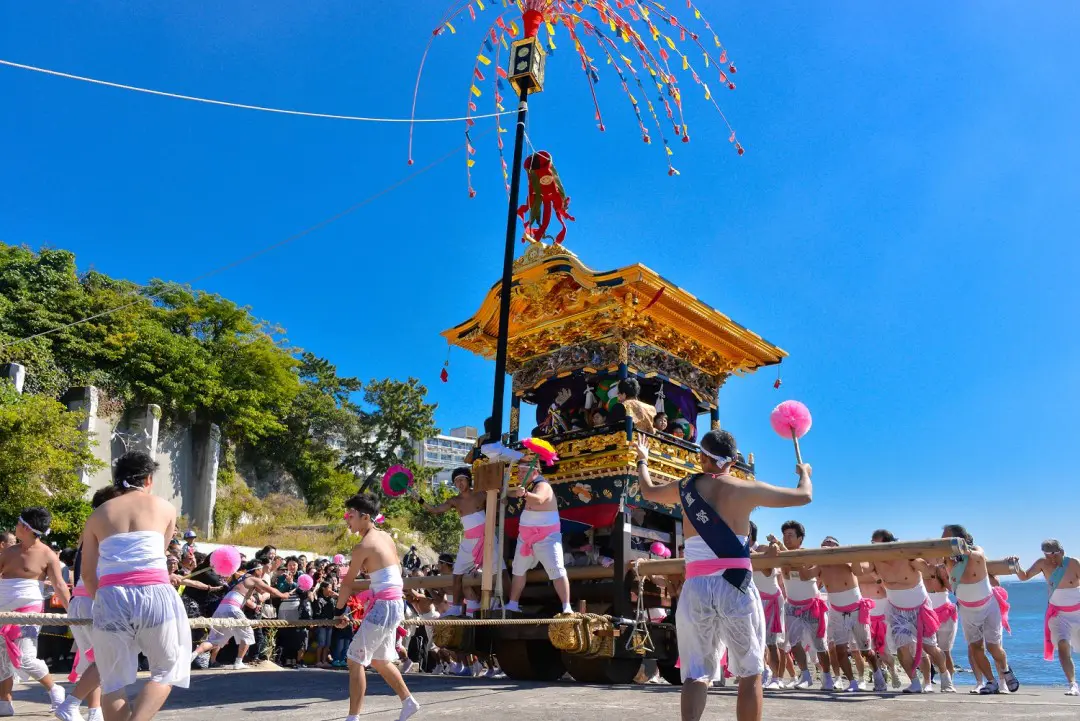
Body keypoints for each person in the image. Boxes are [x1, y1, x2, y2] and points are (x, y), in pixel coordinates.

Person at [636, 429, 812, 721]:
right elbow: (804, 495)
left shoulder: (684, 488)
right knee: (751, 671)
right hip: (736, 586)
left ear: (702, 457)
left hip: (696, 588)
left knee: (695, 674)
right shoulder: (745, 489)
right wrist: (804, 472)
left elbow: (648, 490)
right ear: (733, 460)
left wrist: (642, 460)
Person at [79, 451, 191, 721]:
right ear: (149, 479)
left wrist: (102, 601)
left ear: (115, 480)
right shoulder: (165, 508)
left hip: (110, 596)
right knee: (167, 670)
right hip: (154, 592)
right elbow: (159, 557)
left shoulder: (97, 515)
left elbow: (88, 574)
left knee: (112, 680)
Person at [336, 493, 419, 721]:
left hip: (385, 605)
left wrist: (339, 610)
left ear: (365, 517)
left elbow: (347, 582)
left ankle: (353, 718)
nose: (347, 520)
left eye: (350, 515)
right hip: (393, 603)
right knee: (380, 660)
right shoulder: (386, 537)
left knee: (354, 660)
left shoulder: (363, 545)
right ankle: (409, 702)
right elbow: (394, 574)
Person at [56, 486, 124, 721]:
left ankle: (93, 711)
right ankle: (72, 704)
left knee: (93, 661)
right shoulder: (105, 529)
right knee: (106, 659)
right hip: (92, 600)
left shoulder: (91, 529)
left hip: (80, 600)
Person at [0, 507, 70, 717]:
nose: (16, 526)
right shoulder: (8, 552)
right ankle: (5, 700)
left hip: (29, 609)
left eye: (19, 523)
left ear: (26, 527)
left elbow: (59, 584)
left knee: (26, 657)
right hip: (3, 607)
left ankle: (55, 688)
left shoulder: (48, 555)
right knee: (2, 655)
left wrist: (72, 613)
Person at [869, 529, 950, 694]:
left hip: (920, 608)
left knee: (930, 648)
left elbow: (928, 570)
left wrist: (935, 563)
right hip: (897, 611)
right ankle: (914, 682)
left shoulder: (907, 557)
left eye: (878, 545)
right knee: (902, 648)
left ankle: (944, 675)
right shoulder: (874, 561)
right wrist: (858, 555)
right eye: (873, 545)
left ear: (889, 544)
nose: (876, 549)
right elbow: (858, 571)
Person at [941, 524, 1018, 695]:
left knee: (993, 647)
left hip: (989, 606)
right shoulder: (946, 558)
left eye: (946, 539)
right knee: (975, 648)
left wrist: (962, 551)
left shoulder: (976, 551)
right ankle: (991, 682)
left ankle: (1005, 669)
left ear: (958, 539)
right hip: (967, 610)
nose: (943, 542)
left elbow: (978, 554)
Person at [812, 536, 885, 692]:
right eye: (824, 545)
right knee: (839, 650)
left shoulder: (849, 560)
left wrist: (853, 555)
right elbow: (808, 578)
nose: (827, 547)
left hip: (856, 610)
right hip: (837, 612)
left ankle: (878, 674)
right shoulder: (820, 566)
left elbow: (858, 570)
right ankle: (851, 682)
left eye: (830, 545)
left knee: (865, 651)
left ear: (838, 546)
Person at [505, 450, 571, 615]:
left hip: (547, 537)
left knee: (556, 569)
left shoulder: (543, 485)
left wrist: (525, 494)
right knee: (518, 569)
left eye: (522, 471)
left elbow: (540, 499)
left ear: (534, 471)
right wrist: (506, 493)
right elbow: (516, 493)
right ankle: (513, 603)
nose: (519, 474)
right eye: (518, 471)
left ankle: (566, 606)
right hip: (526, 538)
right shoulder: (528, 486)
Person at [419, 468, 492, 616]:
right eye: (456, 481)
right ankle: (457, 607)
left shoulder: (481, 494)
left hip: (488, 538)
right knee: (458, 574)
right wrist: (420, 500)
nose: (459, 483)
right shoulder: (454, 500)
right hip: (468, 542)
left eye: (462, 479)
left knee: (499, 571)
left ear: (468, 480)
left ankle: (507, 602)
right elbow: (435, 510)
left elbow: (499, 499)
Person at [191, 559, 291, 668]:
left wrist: (254, 603)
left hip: (222, 608)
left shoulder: (241, 580)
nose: (262, 571)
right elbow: (270, 590)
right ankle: (238, 662)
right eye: (260, 569)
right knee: (248, 634)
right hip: (232, 608)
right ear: (256, 570)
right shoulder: (252, 579)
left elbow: (246, 597)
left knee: (214, 639)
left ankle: (194, 654)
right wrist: (283, 595)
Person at [1014, 538, 1080, 696]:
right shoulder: (1042, 564)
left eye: (1054, 556)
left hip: (1077, 612)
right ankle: (1073, 684)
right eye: (1048, 556)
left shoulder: (1073, 563)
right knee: (1063, 646)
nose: (1052, 560)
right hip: (1058, 614)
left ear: (1062, 552)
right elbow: (1024, 577)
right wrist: (1015, 565)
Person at [776, 521, 833, 690]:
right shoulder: (781, 555)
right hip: (792, 606)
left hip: (812, 605)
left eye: (790, 535)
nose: (786, 538)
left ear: (800, 538)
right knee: (794, 643)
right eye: (784, 535)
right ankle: (805, 675)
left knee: (820, 645)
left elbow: (806, 573)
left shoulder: (809, 554)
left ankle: (827, 677)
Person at [750, 529, 785, 690]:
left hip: (771, 599)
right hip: (753, 598)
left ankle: (777, 679)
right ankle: (764, 671)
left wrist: (750, 552)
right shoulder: (737, 549)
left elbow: (767, 570)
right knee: (755, 641)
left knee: (771, 642)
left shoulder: (766, 547)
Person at [857, 565, 900, 689]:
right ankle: (879, 677)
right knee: (868, 651)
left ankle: (892, 670)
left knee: (884, 652)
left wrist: (877, 577)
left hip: (882, 616)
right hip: (865, 616)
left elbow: (889, 591)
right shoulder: (858, 574)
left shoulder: (882, 571)